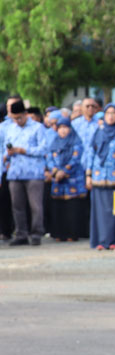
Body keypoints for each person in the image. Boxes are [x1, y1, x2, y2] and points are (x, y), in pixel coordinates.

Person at [87, 103, 115, 250]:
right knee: (101, 212)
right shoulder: (99, 132)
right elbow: (91, 153)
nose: (111, 116)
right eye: (108, 113)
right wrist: (88, 174)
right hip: (99, 177)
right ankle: (101, 240)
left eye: (113, 113)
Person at [4, 100, 48, 246]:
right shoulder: (10, 129)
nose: (17, 121)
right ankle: (21, 234)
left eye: (19, 118)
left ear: (25, 114)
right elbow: (4, 148)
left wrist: (25, 150)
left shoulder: (38, 127)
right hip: (15, 172)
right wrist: (8, 153)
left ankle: (36, 234)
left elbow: (44, 148)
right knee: (17, 206)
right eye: (14, 118)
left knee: (35, 206)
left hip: (33, 172)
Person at [46, 116, 88, 241]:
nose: (63, 130)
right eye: (60, 128)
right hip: (57, 179)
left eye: (65, 127)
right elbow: (49, 158)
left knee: (72, 208)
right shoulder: (54, 142)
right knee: (58, 207)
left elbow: (76, 158)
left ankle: (72, 234)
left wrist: (64, 171)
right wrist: (55, 170)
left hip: (73, 178)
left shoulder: (76, 142)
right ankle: (59, 234)